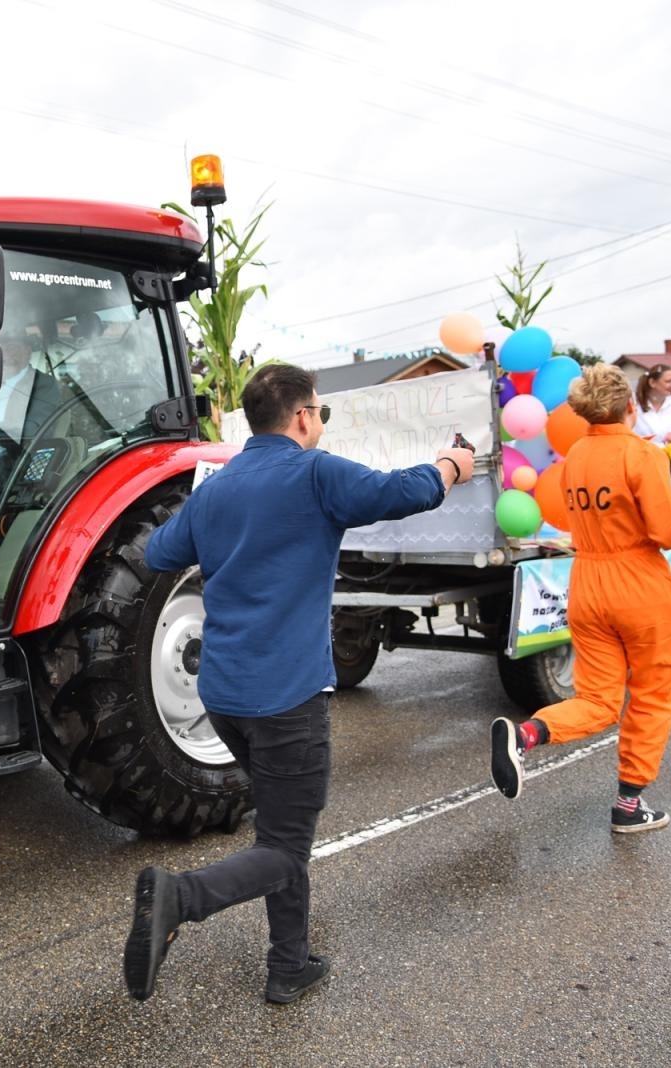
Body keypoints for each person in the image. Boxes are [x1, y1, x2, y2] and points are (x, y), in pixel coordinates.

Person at [122, 363, 475, 1005]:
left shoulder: (217, 489)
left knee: (279, 830)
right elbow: (406, 492)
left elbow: (159, 553)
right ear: (304, 416)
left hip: (223, 697)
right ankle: (181, 898)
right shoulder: (316, 474)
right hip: (285, 697)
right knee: (286, 847)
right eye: (321, 413)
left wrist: (224, 531)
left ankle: (289, 963)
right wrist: (452, 464)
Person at [490, 363, 671, 833]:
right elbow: (666, 531)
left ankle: (527, 733)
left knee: (597, 699)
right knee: (651, 697)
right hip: (640, 585)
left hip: (588, 584)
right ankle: (629, 805)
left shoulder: (575, 455)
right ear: (630, 405)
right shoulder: (643, 454)